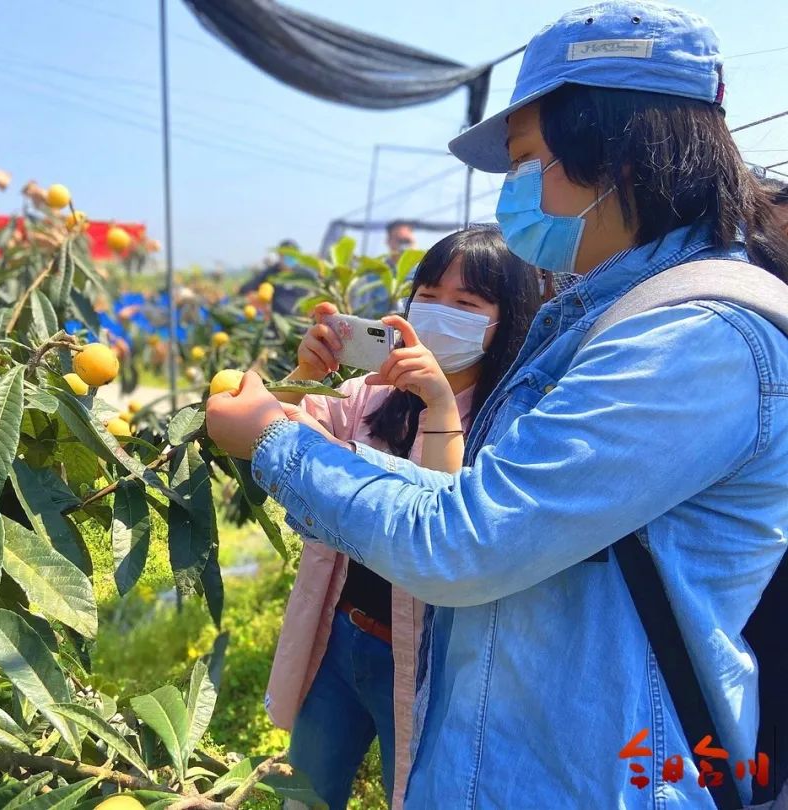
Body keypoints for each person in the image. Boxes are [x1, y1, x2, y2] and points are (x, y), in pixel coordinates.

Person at [206, 3, 788, 808]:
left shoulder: (699, 339)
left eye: (525, 161)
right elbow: (478, 506)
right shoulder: (605, 317)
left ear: (614, 151)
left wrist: (271, 440)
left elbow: (468, 541)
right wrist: (301, 408)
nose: (513, 192)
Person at [266, 227, 538, 810]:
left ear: (506, 320)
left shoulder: (510, 425)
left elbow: (443, 526)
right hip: (340, 632)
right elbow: (288, 437)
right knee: (305, 793)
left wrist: (440, 404)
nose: (441, 313)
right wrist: (307, 376)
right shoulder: (368, 394)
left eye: (467, 304)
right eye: (430, 294)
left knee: (417, 795)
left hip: (426, 663)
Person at [239, 239, 313, 315]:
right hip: (276, 322)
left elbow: (317, 289)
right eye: (287, 253)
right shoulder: (270, 273)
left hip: (300, 322)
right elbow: (246, 288)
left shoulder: (305, 274)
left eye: (293, 253)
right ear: (279, 254)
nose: (290, 256)